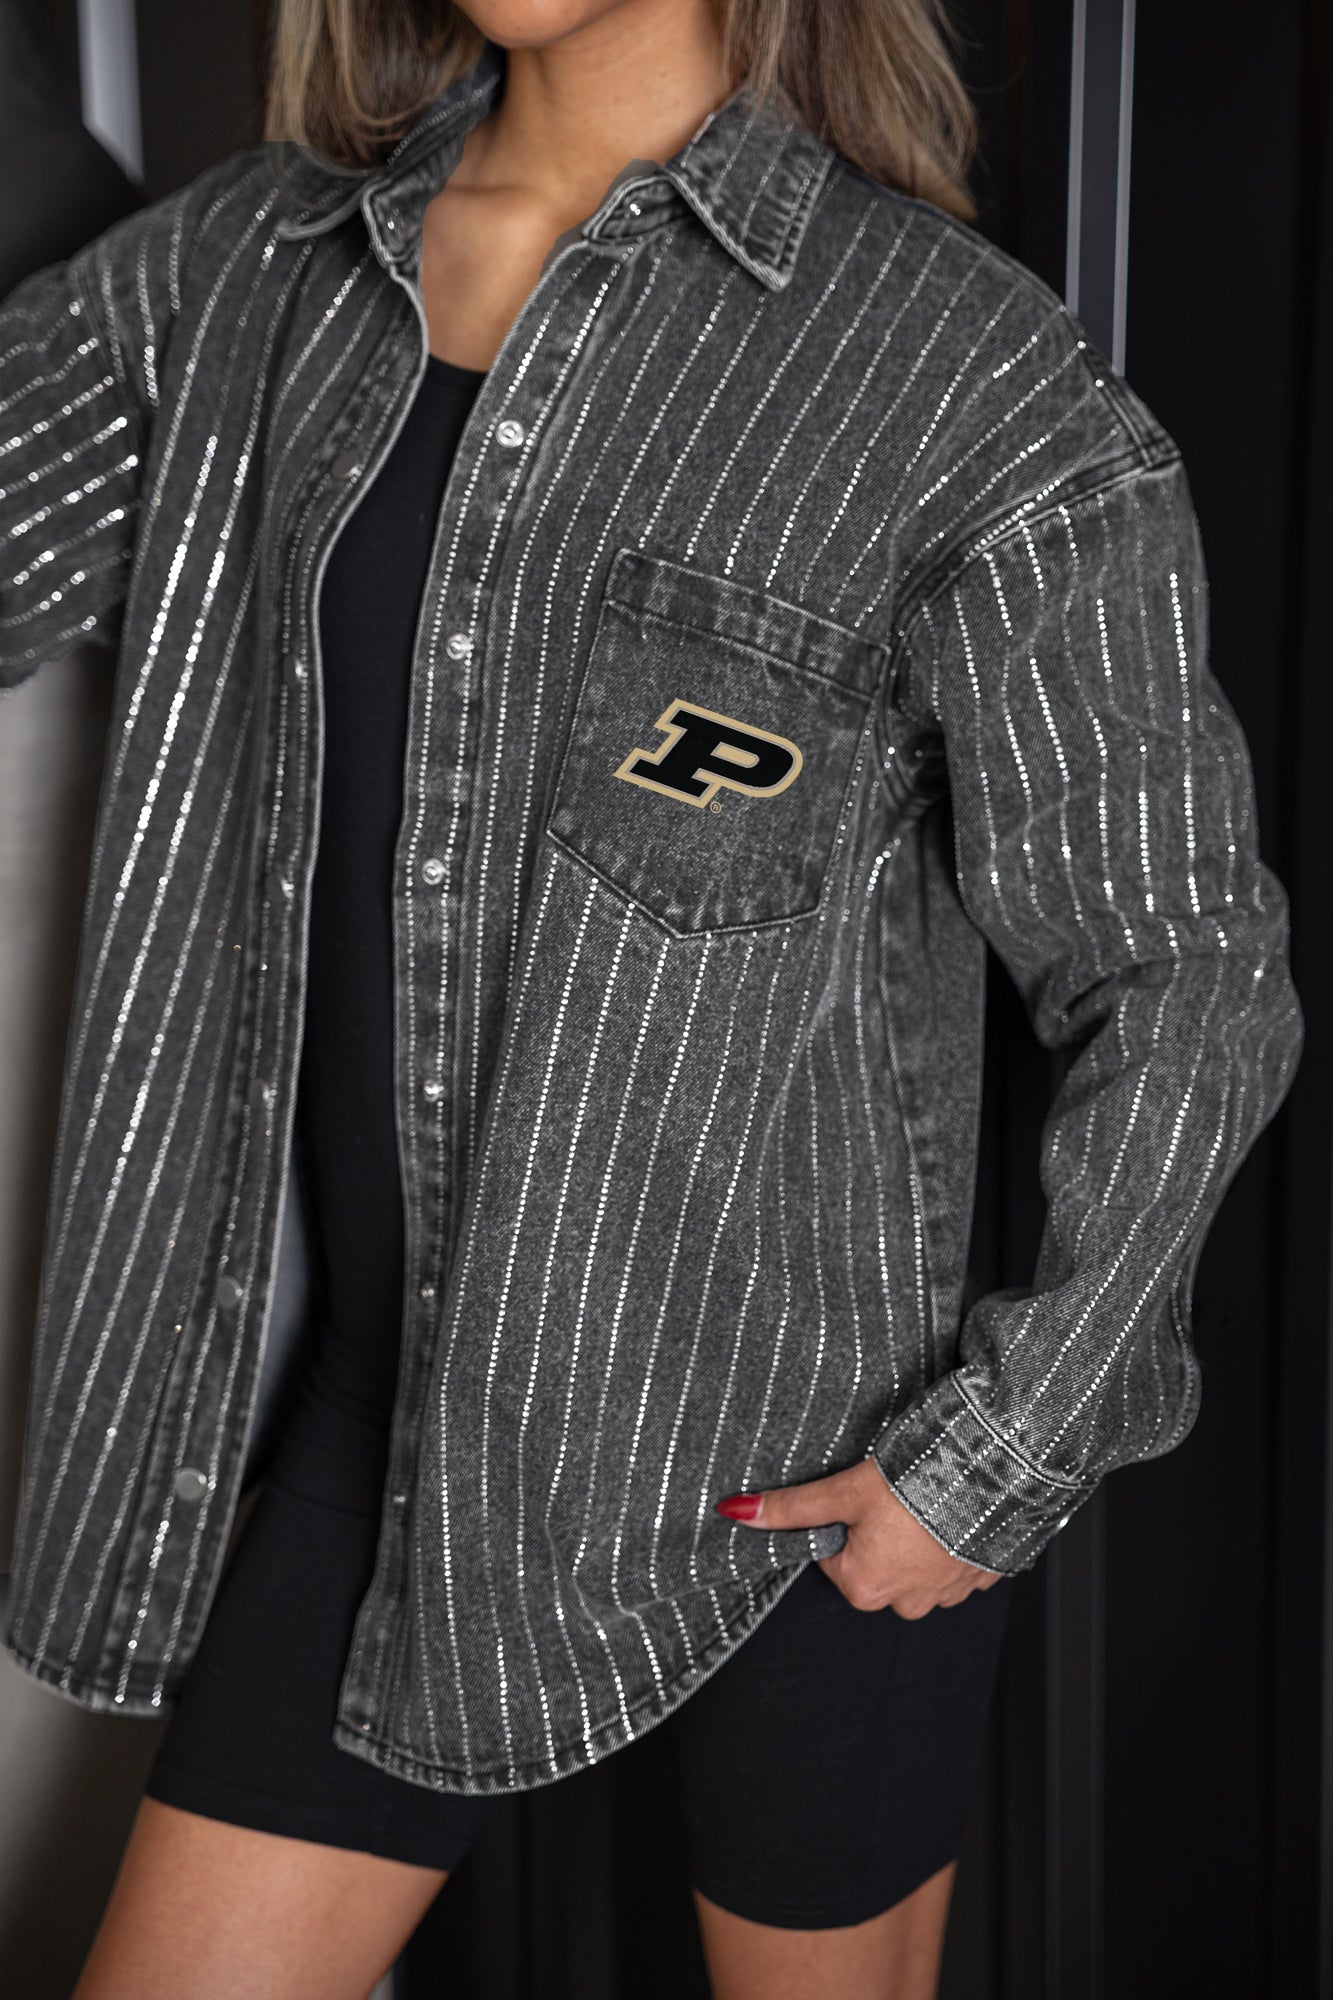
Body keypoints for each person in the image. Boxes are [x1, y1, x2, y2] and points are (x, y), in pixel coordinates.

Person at [0, 0, 1303, 1995]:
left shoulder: (950, 368)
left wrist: (993, 1458)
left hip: (793, 1487)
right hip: (380, 1439)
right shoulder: (245, 269)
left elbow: (1185, 969)